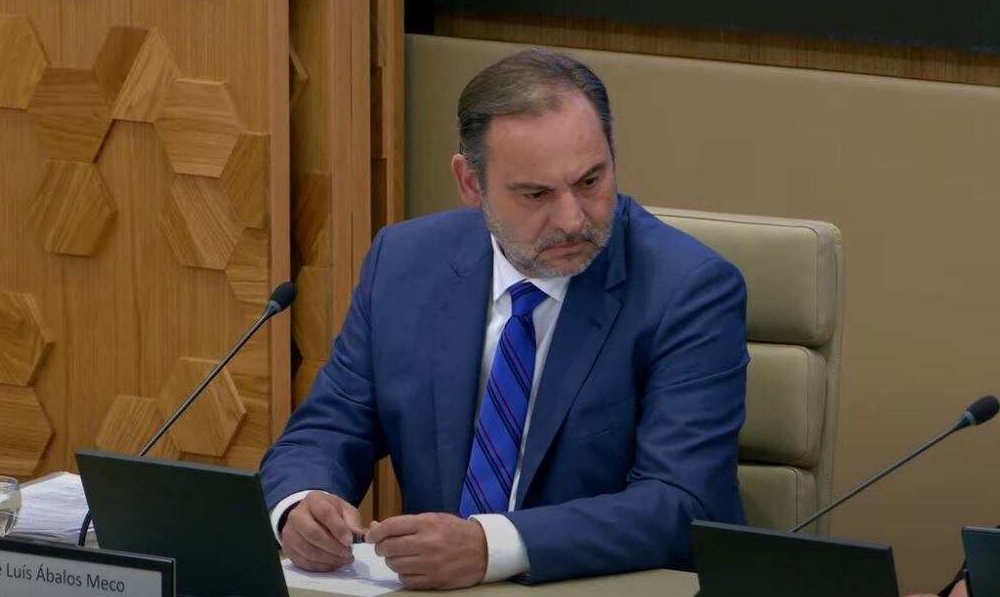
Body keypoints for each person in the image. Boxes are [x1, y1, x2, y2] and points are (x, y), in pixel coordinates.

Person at [259, 48, 750, 589]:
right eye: (536, 194)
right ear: (470, 183)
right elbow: (327, 429)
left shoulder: (688, 290)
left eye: (590, 181)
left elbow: (680, 502)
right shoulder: (404, 264)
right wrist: (301, 505)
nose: (572, 218)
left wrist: (491, 546)